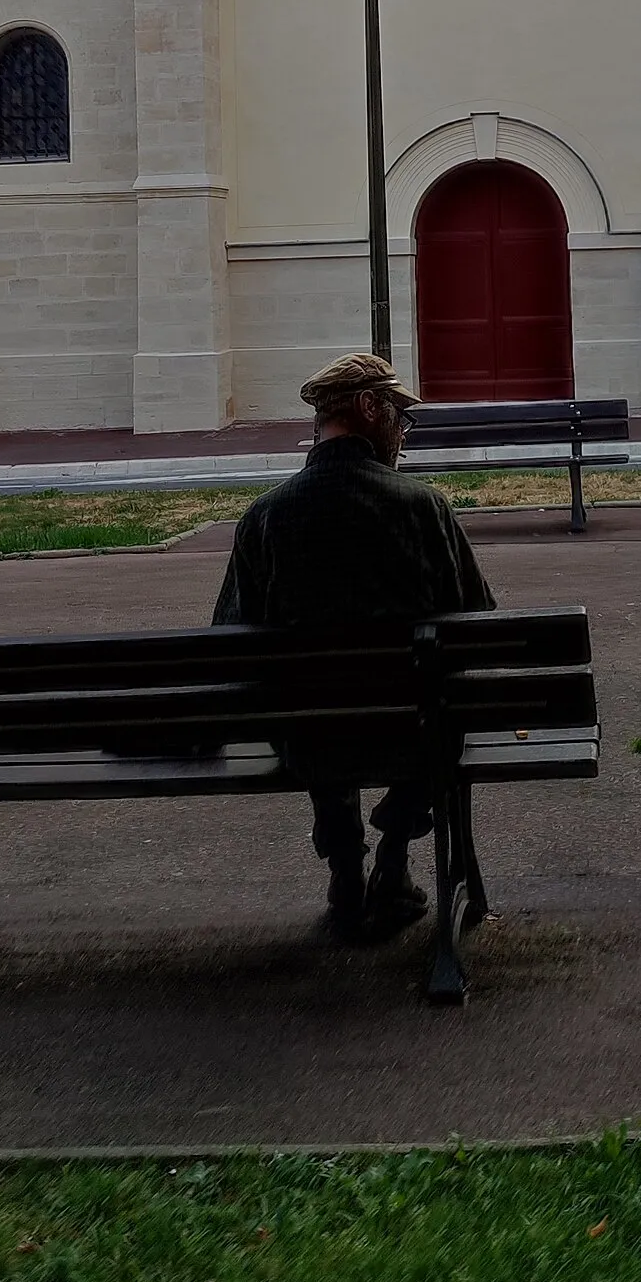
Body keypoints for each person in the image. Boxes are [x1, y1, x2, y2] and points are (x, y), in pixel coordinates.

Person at [213, 351, 495, 936]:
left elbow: (229, 641)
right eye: (400, 416)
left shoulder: (266, 517)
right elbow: (479, 624)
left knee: (310, 703)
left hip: (308, 738)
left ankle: (345, 867)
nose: (403, 432)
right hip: (414, 735)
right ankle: (392, 854)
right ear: (369, 408)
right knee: (438, 696)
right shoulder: (422, 509)